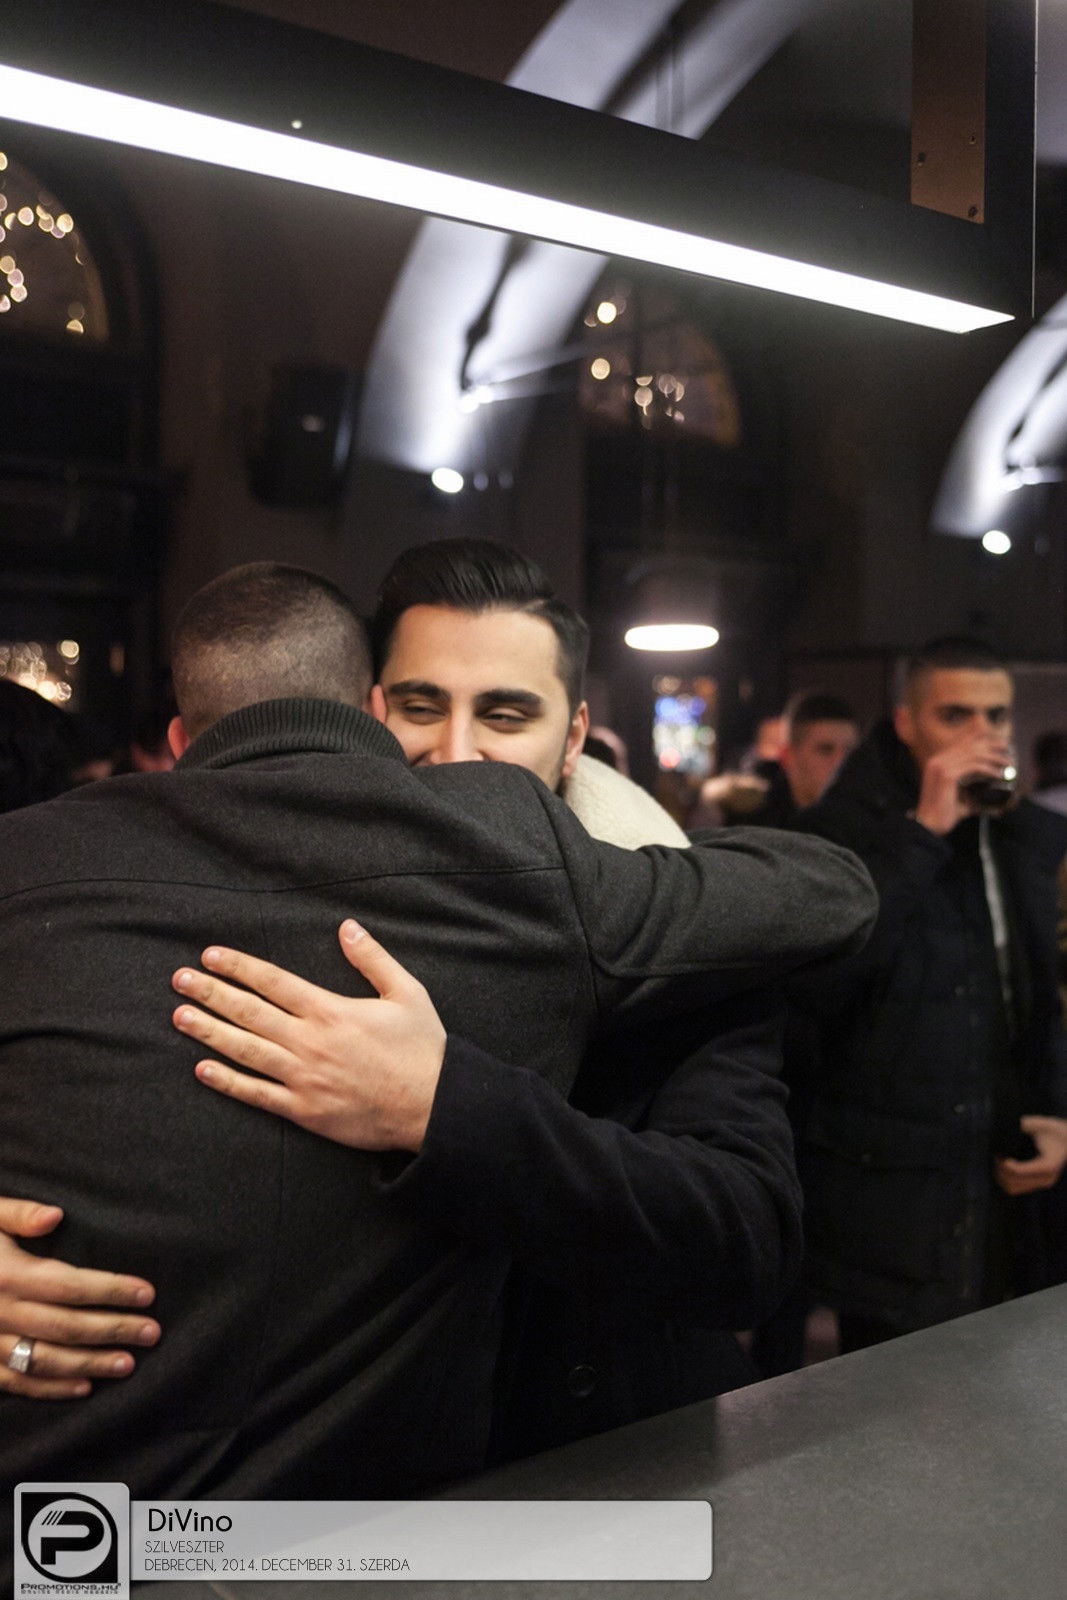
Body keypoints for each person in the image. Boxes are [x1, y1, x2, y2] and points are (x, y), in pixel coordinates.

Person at [0, 561, 876, 1523]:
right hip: (281, 1529)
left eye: (504, 715)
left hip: (579, 1495)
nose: (456, 753)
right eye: (421, 706)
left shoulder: (669, 932)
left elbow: (743, 1246)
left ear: (575, 738)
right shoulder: (175, 881)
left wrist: (443, 1107)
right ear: (367, 708)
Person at [795, 637, 1067, 1351]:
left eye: (996, 715)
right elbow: (819, 985)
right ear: (906, 723)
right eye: (955, 715)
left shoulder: (1021, 838)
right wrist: (922, 834)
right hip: (885, 1199)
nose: (982, 734)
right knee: (892, 1399)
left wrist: (1057, 1113)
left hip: (1002, 1187)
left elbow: (1039, 998)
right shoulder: (843, 833)